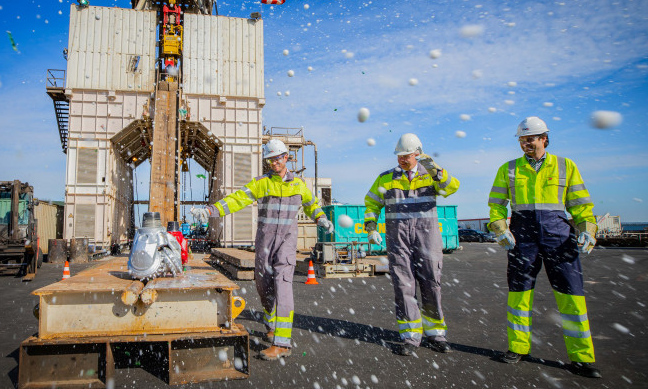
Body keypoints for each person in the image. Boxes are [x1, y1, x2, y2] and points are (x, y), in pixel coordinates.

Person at [191, 139, 333, 360]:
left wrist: (321, 217)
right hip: (265, 243)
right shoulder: (261, 183)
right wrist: (211, 211)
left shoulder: (298, 184)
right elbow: (236, 199)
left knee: (283, 286)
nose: (273, 163)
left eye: (277, 158)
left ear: (286, 157)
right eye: (270, 159)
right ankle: (271, 322)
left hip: (286, 243)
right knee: (263, 285)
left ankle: (282, 343)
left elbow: (312, 203)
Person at [487, 117, 601, 378]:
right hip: (523, 234)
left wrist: (588, 230)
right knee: (519, 293)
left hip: (558, 233)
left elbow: (581, 205)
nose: (526, 142)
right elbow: (496, 204)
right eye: (522, 139)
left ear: (544, 139)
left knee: (572, 294)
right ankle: (518, 348)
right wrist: (500, 228)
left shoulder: (565, 166)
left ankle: (581, 358)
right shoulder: (509, 169)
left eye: (531, 138)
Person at [363, 133, 460, 355]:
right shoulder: (386, 178)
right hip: (399, 239)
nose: (402, 160)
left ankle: (436, 333)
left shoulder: (431, 175)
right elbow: (371, 203)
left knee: (431, 283)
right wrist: (370, 226)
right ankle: (410, 336)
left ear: (418, 153)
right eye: (399, 156)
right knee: (403, 286)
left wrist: (436, 169)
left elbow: (451, 188)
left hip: (427, 238)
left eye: (406, 156)